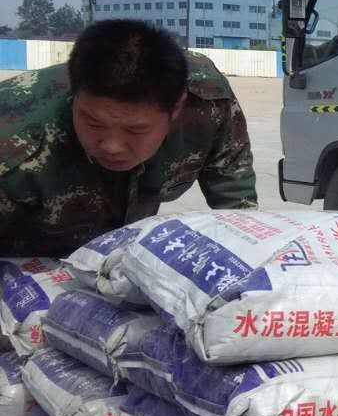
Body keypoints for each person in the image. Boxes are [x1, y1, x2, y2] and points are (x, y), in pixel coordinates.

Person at [0, 19, 257, 256]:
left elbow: (236, 203)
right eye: (94, 123)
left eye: (135, 130)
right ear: (74, 96)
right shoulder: (12, 135)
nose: (112, 147)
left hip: (121, 254)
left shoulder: (206, 100)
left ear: (176, 108)